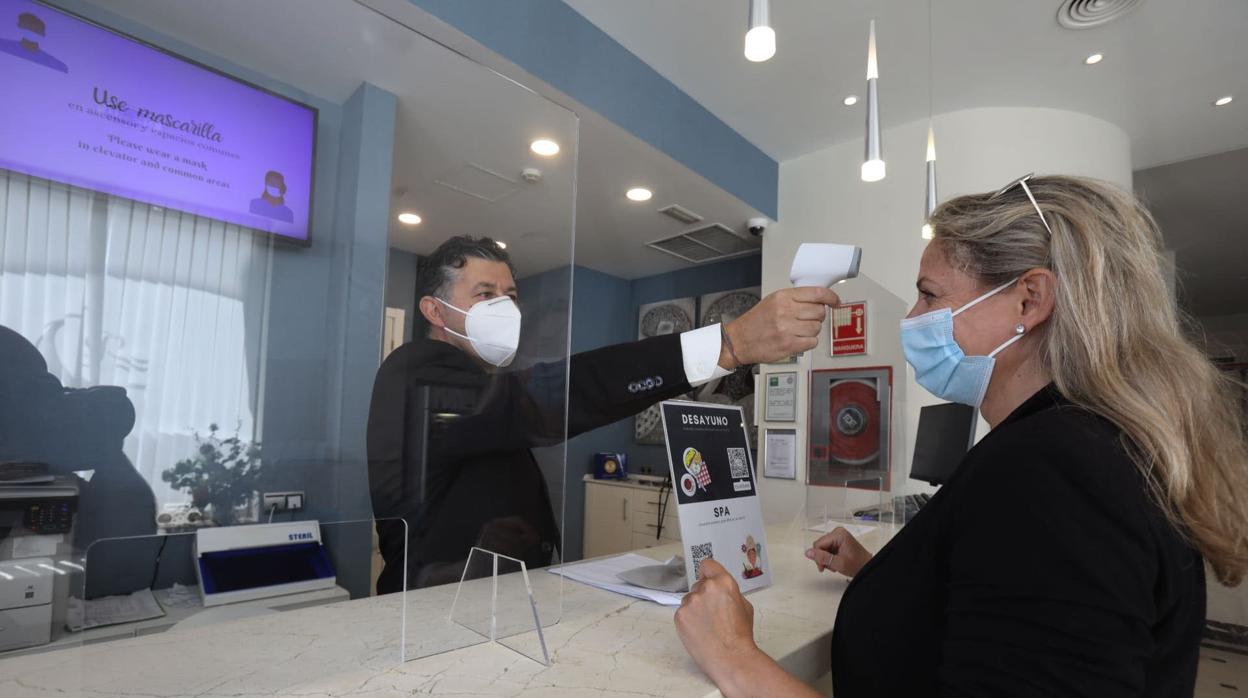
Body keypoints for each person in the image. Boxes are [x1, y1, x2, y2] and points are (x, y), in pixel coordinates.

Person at [673, 175, 1248, 697]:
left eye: (930, 295)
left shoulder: (1055, 469)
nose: (912, 318)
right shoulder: (1082, 446)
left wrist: (735, 659)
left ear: (1030, 299)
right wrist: (883, 573)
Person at [367, 236, 838, 592]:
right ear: (434, 309)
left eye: (509, 295)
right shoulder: (417, 369)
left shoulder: (480, 385)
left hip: (494, 598)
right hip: (434, 604)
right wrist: (725, 344)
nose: (505, 307)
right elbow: (551, 398)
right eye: (484, 294)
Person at [0, 12, 68, 73]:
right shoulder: (3, 45)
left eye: (36, 30)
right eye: (31, 29)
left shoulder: (55, 64)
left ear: (43, 34)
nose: (32, 33)